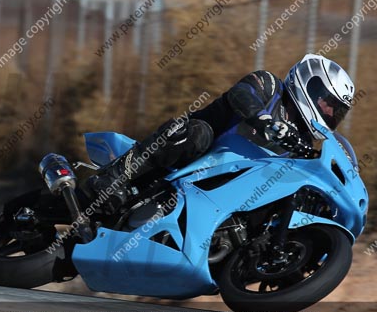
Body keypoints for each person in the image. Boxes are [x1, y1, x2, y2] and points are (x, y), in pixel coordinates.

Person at [82, 54, 356, 211]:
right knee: (196, 133)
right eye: (328, 104)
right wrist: (264, 121)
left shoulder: (301, 145)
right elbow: (242, 94)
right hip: (191, 157)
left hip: (222, 194)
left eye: (337, 112)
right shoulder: (270, 86)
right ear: (310, 85)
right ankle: (113, 177)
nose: (330, 114)